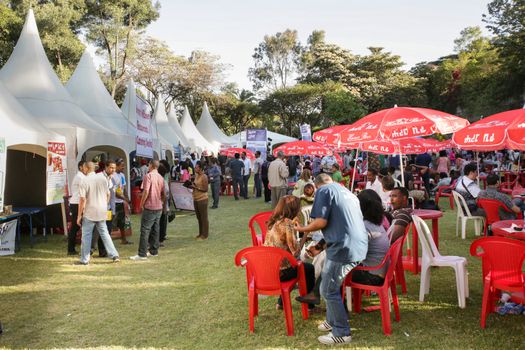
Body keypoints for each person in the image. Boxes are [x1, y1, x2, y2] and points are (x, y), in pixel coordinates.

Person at [295, 174, 367, 345]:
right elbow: (339, 223)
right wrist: (319, 246)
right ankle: (331, 320)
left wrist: (302, 228)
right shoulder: (347, 191)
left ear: (317, 186)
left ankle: (341, 332)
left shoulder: (323, 191)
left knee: (328, 289)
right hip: (356, 245)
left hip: (344, 248)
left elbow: (320, 222)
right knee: (329, 284)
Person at [263, 195, 316, 310]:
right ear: (294, 209)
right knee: (309, 268)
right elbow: (296, 253)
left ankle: (280, 303)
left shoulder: (274, 220)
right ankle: (310, 306)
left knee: (290, 265)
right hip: (280, 273)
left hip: (267, 270)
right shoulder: (287, 223)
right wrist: (306, 232)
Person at [77, 162, 120, 265]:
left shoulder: (84, 180)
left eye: (83, 168)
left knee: (86, 236)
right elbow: (108, 194)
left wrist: (79, 215)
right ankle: (114, 255)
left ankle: (85, 259)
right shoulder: (102, 178)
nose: (82, 169)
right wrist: (104, 205)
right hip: (101, 211)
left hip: (89, 212)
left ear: (86, 168)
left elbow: (82, 199)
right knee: (105, 234)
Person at [352, 190, 390, 286]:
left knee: (336, 269)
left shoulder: (364, 226)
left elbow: (356, 254)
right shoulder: (377, 223)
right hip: (381, 272)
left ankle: (340, 299)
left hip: (373, 276)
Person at [130, 160, 166, 260]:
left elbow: (146, 191)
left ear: (151, 165)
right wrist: (161, 202)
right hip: (158, 206)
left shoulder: (148, 176)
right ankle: (154, 250)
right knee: (155, 229)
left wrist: (141, 203)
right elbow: (164, 193)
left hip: (150, 206)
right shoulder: (160, 177)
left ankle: (142, 253)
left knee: (145, 230)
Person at [96, 160, 117, 258]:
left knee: (107, 230)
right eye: (111, 168)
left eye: (114, 168)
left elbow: (113, 195)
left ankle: (104, 250)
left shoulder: (113, 179)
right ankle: (100, 250)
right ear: (106, 167)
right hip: (99, 208)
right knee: (99, 231)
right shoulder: (99, 177)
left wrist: (113, 209)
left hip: (108, 209)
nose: (113, 170)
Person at [67, 161, 88, 255]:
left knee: (77, 227)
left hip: (77, 203)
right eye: (85, 167)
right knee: (75, 227)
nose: (87, 168)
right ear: (80, 167)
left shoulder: (82, 176)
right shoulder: (80, 177)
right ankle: (71, 249)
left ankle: (74, 248)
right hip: (76, 204)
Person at [114, 159, 132, 245]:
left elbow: (124, 188)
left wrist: (127, 198)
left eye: (124, 165)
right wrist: (124, 198)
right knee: (112, 222)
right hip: (113, 202)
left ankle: (123, 239)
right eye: (122, 165)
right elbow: (115, 192)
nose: (123, 167)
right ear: (116, 166)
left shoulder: (122, 175)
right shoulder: (113, 176)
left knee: (122, 222)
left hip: (121, 201)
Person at [192, 163, 209, 240]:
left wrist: (196, 188)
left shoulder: (204, 176)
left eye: (196, 168)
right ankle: (200, 233)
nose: (195, 169)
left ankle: (205, 234)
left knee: (204, 217)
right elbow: (196, 186)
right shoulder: (196, 176)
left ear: (200, 168)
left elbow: (205, 189)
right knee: (199, 217)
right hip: (195, 198)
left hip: (202, 199)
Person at [158, 161, 170, 245]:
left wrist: (164, 206)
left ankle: (160, 239)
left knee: (161, 222)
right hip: (162, 204)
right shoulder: (163, 181)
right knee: (162, 222)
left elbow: (165, 195)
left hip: (160, 205)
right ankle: (161, 238)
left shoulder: (161, 181)